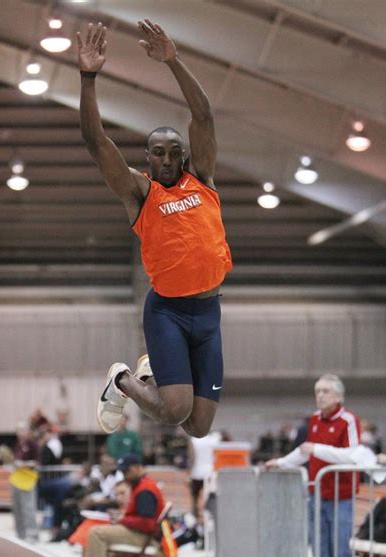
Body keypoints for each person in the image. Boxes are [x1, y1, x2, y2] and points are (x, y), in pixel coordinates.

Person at [77, 20, 232, 438]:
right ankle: (123, 380)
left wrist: (174, 61)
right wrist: (88, 78)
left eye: (174, 153)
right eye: (159, 153)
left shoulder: (202, 179)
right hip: (170, 312)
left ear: (184, 156)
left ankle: (150, 375)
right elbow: (96, 143)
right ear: (148, 159)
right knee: (174, 411)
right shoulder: (140, 194)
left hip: (210, 313)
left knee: (199, 427)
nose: (167, 160)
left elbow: (204, 114)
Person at [266, 374, 360, 557]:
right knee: (320, 551)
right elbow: (304, 451)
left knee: (340, 550)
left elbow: (352, 455)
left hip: (342, 496)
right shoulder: (314, 420)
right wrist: (281, 462)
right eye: (317, 391)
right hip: (317, 494)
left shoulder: (348, 420)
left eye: (325, 391)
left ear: (338, 396)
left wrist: (318, 450)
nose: (320, 396)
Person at [82, 454, 170, 557]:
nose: (124, 475)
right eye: (122, 472)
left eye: (126, 471)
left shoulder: (145, 490)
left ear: (137, 468)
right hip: (143, 537)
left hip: (150, 542)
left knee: (96, 533)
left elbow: (147, 524)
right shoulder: (142, 485)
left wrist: (122, 519)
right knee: (110, 550)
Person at [11, 423, 40, 543]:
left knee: (28, 508)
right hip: (17, 479)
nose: (20, 433)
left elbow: (37, 462)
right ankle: (20, 533)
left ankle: (32, 534)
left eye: (23, 430)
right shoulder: (17, 445)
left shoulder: (33, 445)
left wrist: (23, 464)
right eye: (18, 430)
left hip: (28, 479)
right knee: (17, 507)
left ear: (28, 432)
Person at [187, 431, 221, 521]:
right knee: (209, 496)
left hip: (196, 472)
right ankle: (209, 516)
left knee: (195, 496)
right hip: (210, 472)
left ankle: (195, 515)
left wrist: (189, 473)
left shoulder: (194, 440)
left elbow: (191, 458)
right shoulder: (214, 440)